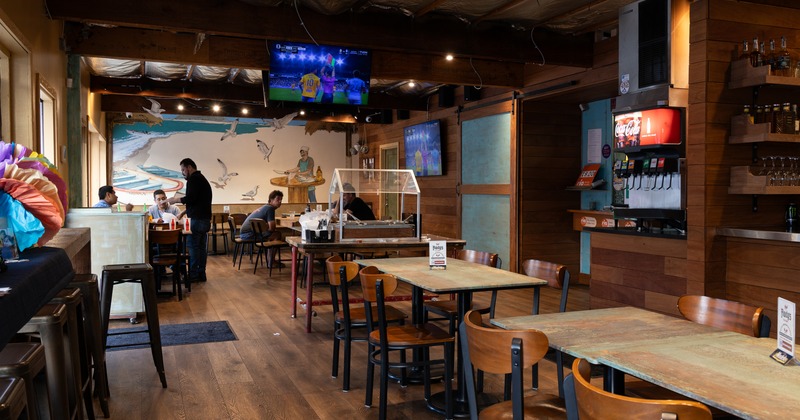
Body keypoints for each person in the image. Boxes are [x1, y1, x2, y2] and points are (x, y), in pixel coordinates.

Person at [166, 158, 212, 282]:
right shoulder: (202, 179)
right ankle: (201, 273)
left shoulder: (193, 179)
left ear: (189, 167)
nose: (182, 172)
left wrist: (175, 200)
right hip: (206, 219)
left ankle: (193, 275)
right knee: (201, 248)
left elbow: (191, 198)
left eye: (183, 169)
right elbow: (198, 201)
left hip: (196, 220)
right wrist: (184, 211)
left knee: (193, 247)